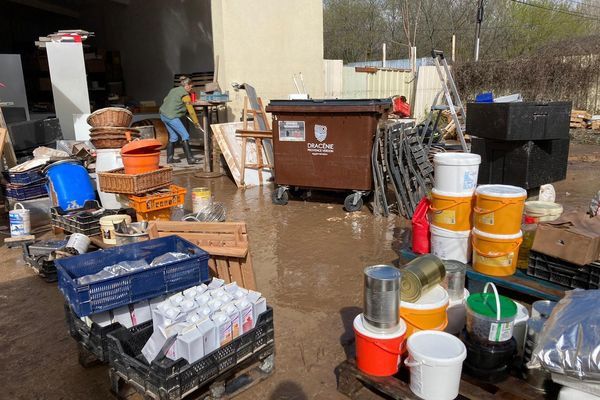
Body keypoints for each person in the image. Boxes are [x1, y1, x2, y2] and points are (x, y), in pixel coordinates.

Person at [159, 76, 201, 164]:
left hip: (163, 115)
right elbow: (191, 111)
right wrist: (196, 122)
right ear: (187, 85)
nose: (192, 88)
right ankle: (190, 159)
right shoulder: (185, 96)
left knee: (174, 137)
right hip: (172, 116)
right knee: (185, 135)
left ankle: (170, 159)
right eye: (191, 86)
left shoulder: (173, 90)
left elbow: (165, 100)